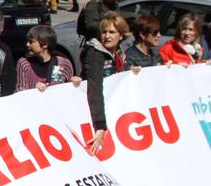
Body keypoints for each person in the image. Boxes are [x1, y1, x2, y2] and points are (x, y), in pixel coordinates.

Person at [80, 12, 129, 155]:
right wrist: (100, 126)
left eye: (112, 32)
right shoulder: (95, 54)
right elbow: (94, 89)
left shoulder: (119, 53)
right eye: (104, 32)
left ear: (121, 35)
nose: (107, 36)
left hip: (112, 110)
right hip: (95, 115)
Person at [15, 24, 78, 91]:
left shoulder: (60, 65)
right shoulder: (25, 64)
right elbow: (20, 91)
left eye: (31, 42)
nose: (27, 44)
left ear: (45, 44)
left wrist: (74, 82)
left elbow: (62, 87)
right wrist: (34, 89)